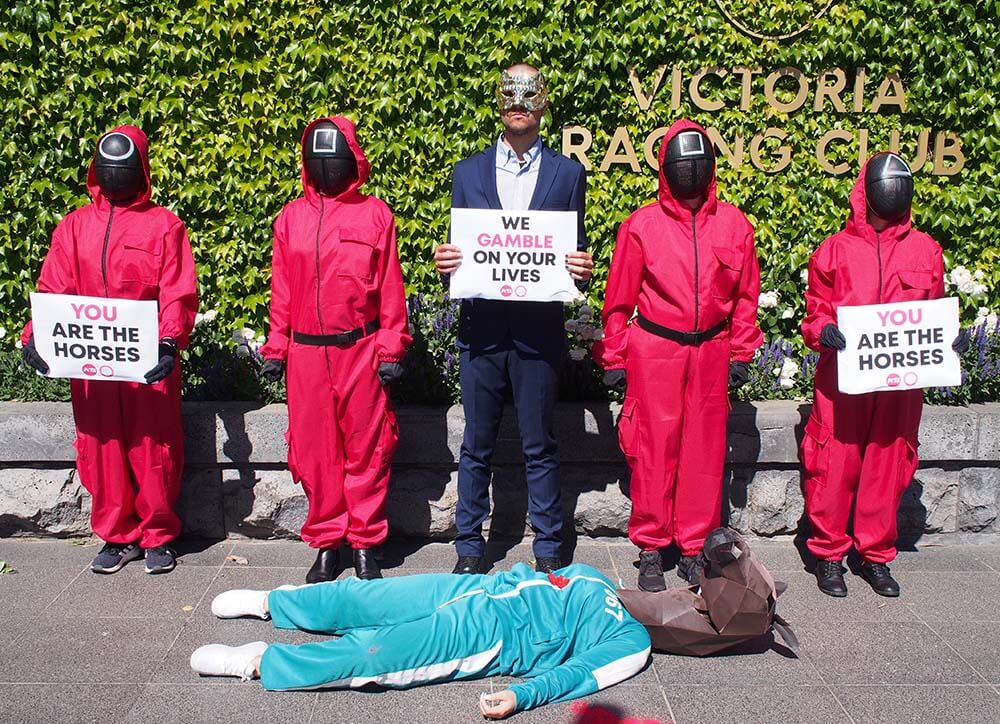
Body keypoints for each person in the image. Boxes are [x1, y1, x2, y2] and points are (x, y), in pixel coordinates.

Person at [433, 64, 594, 575]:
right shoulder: (467, 172)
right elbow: (463, 253)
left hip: (538, 332)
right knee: (476, 442)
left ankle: (548, 545)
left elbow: (574, 256)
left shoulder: (569, 175)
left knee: (539, 442)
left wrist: (583, 270)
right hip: (481, 329)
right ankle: (468, 546)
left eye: (528, 92)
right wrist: (447, 265)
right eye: (509, 91)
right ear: (498, 102)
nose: (518, 100)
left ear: (543, 102)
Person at [593, 119, 763, 592]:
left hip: (710, 348)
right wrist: (614, 356)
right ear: (666, 170)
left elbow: (746, 295)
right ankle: (651, 544)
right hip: (657, 348)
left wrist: (742, 346)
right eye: (680, 165)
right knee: (653, 448)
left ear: (710, 168)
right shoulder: (641, 225)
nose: (689, 172)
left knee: (703, 453)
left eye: (697, 163)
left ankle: (692, 546)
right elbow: (619, 300)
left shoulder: (734, 225)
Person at [21, 125, 197, 574]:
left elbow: (178, 292)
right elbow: (53, 288)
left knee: (153, 448)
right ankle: (118, 535)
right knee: (102, 448)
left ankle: (158, 534)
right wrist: (34, 335)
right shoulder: (75, 226)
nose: (116, 176)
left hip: (145, 362)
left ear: (141, 171)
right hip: (92, 364)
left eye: (125, 168)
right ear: (97, 171)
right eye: (108, 168)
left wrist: (169, 340)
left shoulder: (165, 226)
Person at [800, 151, 967, 598]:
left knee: (886, 466)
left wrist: (950, 341)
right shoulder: (834, 250)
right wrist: (824, 331)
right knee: (834, 465)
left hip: (898, 386)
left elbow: (932, 314)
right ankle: (828, 554)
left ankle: (875, 556)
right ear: (866, 195)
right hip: (844, 381)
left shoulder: (926, 251)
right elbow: (814, 311)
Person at [190, 562, 651, 719]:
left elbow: (576, 678)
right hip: (478, 588)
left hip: (491, 636)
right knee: (364, 596)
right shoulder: (596, 578)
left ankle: (258, 663)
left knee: (377, 655)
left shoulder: (633, 641)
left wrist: (522, 695)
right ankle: (277, 603)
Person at [258, 116, 411, 583]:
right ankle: (327, 541)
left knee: (367, 449)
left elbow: (389, 288)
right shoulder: (290, 218)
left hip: (360, 349)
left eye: (335, 159)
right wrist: (276, 347)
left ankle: (365, 542)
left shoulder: (375, 215)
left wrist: (391, 348)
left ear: (353, 161)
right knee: (315, 453)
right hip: (306, 355)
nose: (327, 167)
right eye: (318, 160)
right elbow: (281, 289)